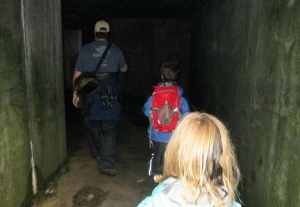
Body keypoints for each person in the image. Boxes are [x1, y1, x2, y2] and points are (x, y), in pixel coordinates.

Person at [137, 112, 242, 207]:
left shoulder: (158, 200)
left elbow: (146, 111)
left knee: (156, 158)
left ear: (175, 151)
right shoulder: (229, 202)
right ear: (224, 158)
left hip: (157, 136)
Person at [72, 20, 128, 176]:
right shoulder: (116, 50)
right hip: (110, 92)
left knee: (92, 123)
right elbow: (124, 69)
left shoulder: (85, 50)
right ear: (107, 33)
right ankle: (107, 164)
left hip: (91, 92)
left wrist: (75, 94)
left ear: (95, 33)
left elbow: (77, 74)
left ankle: (99, 153)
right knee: (109, 128)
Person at [142, 61, 190, 182]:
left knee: (157, 160)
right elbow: (187, 115)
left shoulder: (154, 94)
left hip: (157, 135)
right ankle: (171, 185)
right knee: (173, 163)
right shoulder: (180, 95)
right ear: (177, 77)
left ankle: (157, 185)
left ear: (162, 76)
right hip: (175, 136)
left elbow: (146, 111)